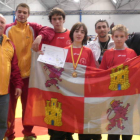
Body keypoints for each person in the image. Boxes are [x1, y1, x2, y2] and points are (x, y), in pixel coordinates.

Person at [4, 3, 55, 140]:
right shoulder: (7, 29)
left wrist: (39, 37)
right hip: (10, 77)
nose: (22, 14)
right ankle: (9, 134)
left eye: (24, 12)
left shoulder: (33, 28)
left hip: (29, 76)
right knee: (9, 110)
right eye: (19, 11)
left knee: (28, 108)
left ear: (28, 15)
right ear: (15, 13)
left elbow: (50, 31)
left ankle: (27, 133)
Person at [32, 7, 72, 140]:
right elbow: (39, 54)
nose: (57, 21)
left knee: (68, 107)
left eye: (59, 18)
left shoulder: (71, 35)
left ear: (64, 20)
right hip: (51, 79)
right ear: (51, 21)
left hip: (68, 80)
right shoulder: (47, 36)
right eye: (54, 19)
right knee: (52, 106)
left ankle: (68, 134)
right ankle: (54, 134)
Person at [100, 24, 137, 140]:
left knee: (127, 122)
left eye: (122, 36)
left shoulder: (132, 53)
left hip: (128, 95)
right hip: (112, 96)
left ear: (126, 37)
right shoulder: (107, 53)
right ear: (112, 37)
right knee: (113, 122)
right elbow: (101, 73)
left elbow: (136, 74)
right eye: (116, 36)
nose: (119, 39)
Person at [0, 14, 23, 140]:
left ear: (5, 25)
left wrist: (18, 84)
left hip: (4, 92)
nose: (0, 24)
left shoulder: (9, 44)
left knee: (3, 123)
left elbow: (14, 68)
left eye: (2, 22)